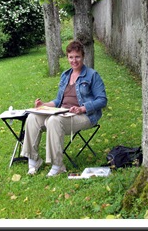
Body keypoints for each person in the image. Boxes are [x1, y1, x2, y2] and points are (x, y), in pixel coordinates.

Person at [20, 40, 107, 177]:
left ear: (83, 56)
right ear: (67, 58)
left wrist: (83, 108)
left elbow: (102, 100)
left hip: (84, 116)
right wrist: (43, 105)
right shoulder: (65, 75)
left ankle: (58, 165)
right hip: (63, 112)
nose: (74, 60)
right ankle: (34, 160)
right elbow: (58, 101)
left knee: (53, 121)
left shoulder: (92, 75)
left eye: (77, 56)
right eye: (71, 57)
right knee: (32, 117)